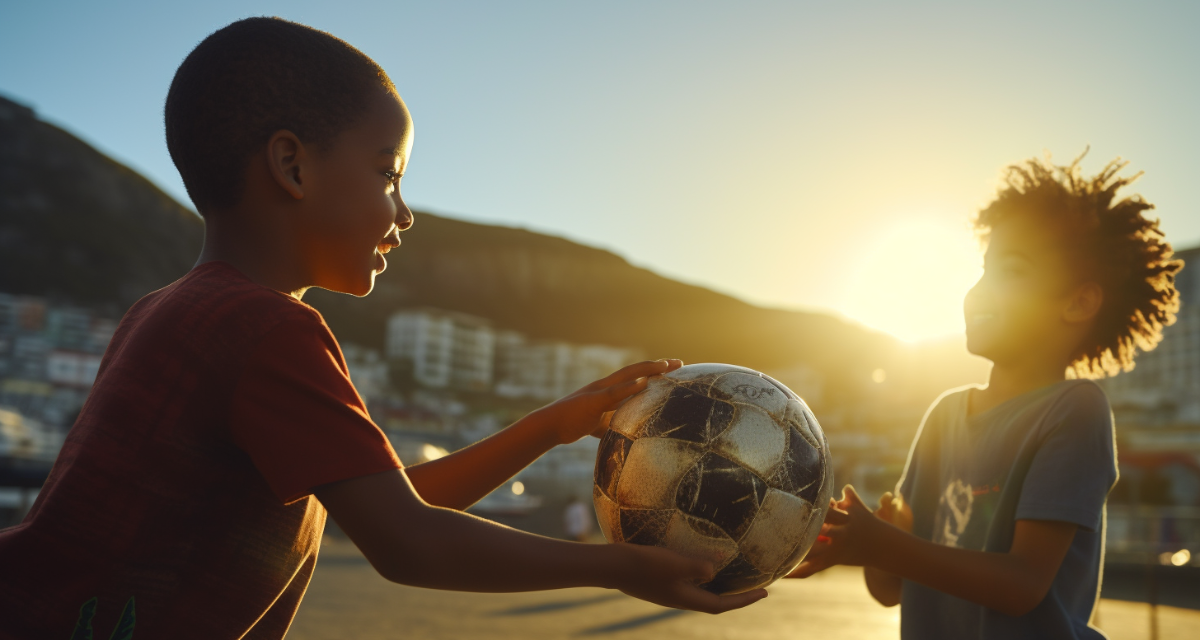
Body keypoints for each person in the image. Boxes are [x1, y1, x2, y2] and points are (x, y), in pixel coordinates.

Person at [0, 18, 765, 639]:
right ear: (292, 167)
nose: (405, 213)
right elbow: (408, 543)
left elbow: (390, 504)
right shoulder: (268, 329)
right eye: (388, 173)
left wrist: (551, 426)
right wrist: (621, 569)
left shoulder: (168, 310)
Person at [789, 154, 1183, 639]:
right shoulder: (944, 415)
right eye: (983, 270)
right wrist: (867, 538)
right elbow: (890, 588)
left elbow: (1022, 586)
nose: (978, 291)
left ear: (1078, 302)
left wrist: (884, 545)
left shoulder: (1075, 410)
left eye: (1011, 270)